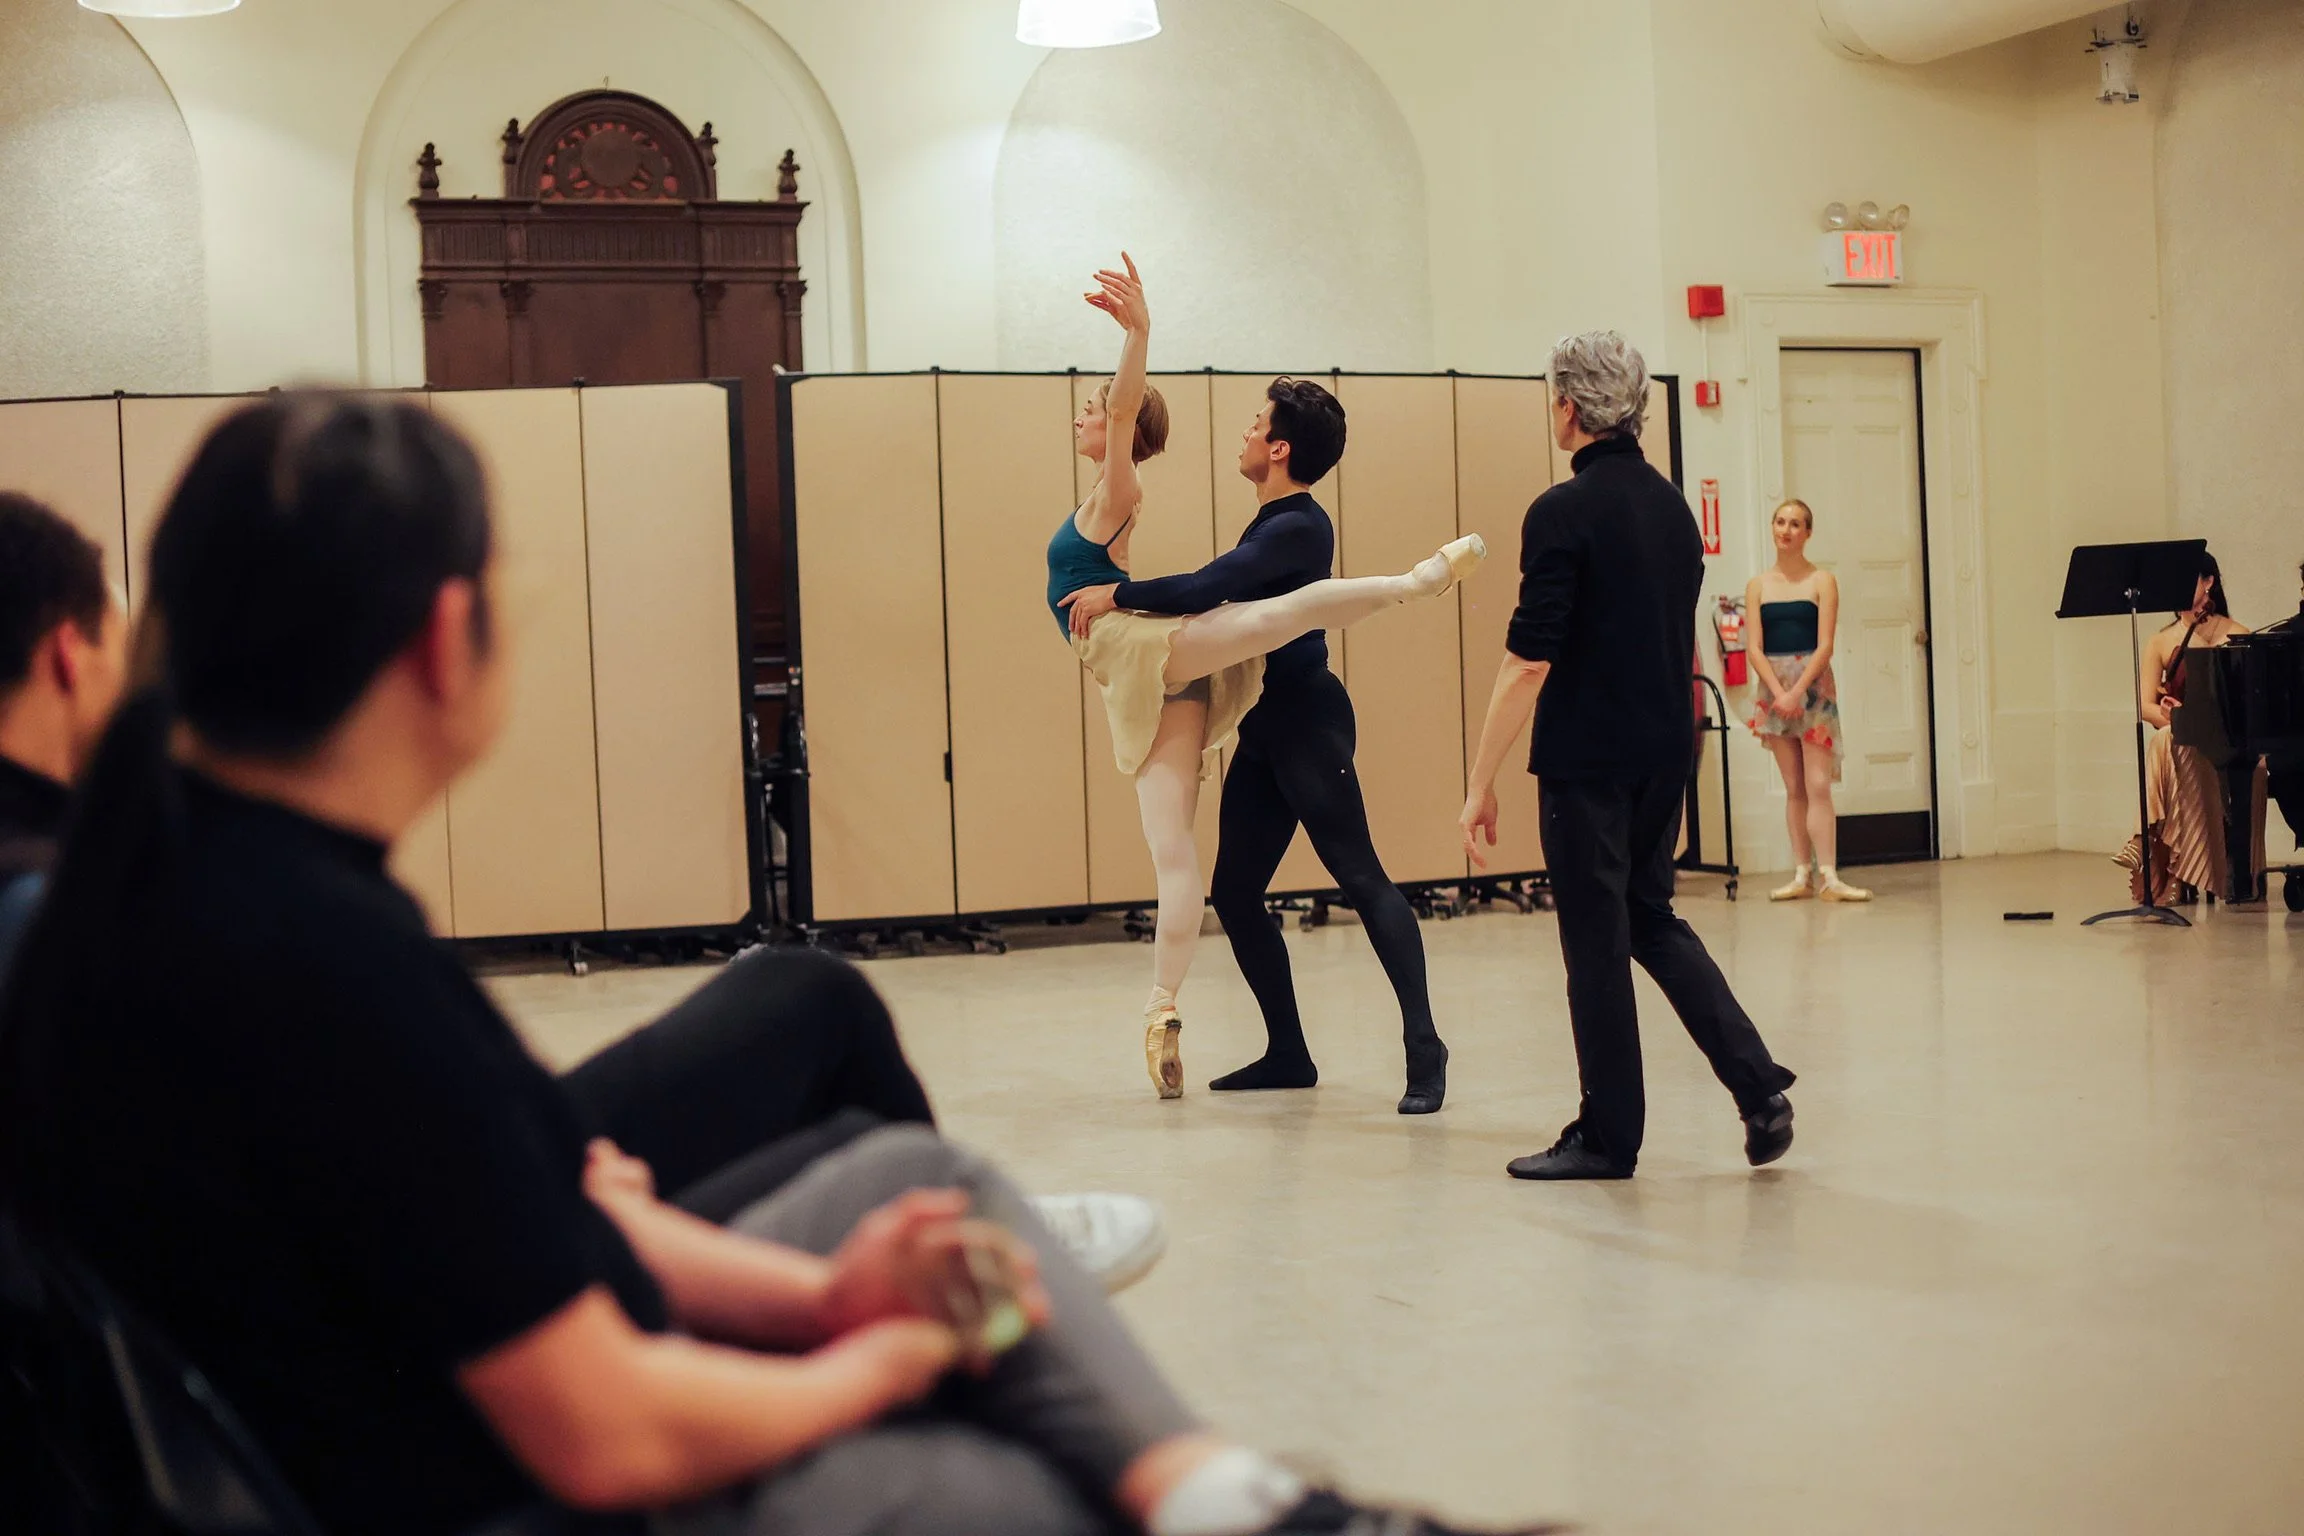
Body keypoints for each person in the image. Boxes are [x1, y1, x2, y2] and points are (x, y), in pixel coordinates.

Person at [0, 394, 1556, 1536]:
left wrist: (822, 1287)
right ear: (441, 643)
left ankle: (1232, 1498)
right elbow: (606, 1431)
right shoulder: (312, 962)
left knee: (921, 1191)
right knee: (996, 1477)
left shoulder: (166, 896)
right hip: (493, 1486)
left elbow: (517, 1218)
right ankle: (1213, 1497)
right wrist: (875, 1354)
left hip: (442, 1385)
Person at [0, 490, 1161, 1292]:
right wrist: (831, 1326)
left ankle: (951, 1220)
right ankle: (967, 1233)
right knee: (854, 1092)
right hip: (463, 1296)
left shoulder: (106, 878)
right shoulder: (198, 916)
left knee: (807, 1004)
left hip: (460, 1208)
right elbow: (509, 1321)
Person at [1054, 261, 1482, 1103]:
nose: (1245, 434)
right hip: (1265, 726)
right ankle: (1288, 1051)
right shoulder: (1277, 518)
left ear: (1279, 448)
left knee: (1361, 878)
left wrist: (1119, 594)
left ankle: (1425, 1051)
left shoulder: (1296, 527)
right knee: (1238, 893)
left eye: (1255, 425)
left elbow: (1216, 584)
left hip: (1309, 724)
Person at [1459, 332, 1797, 1182]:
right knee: (1649, 916)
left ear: (1569, 408)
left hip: (1588, 761)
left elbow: (1530, 658)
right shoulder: (1673, 508)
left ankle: (1609, 1136)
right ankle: (1760, 1090)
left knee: (1597, 943)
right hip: (1663, 750)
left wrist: (1480, 781)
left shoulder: (1561, 511)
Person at [1743, 499, 1870, 902]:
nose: (1786, 530)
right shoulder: (1758, 585)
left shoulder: (1822, 581)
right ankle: (1802, 873)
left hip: (1812, 690)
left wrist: (1798, 691)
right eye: (1780, 522)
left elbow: (1826, 644)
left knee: (1818, 784)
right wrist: (1779, 693)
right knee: (1793, 785)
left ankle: (1829, 874)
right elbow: (1754, 648)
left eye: (1795, 524)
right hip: (1774, 689)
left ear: (1807, 533)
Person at [2132, 551, 2264, 904]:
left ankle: (2173, 861)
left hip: (2229, 739)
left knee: (2172, 744)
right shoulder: (2160, 640)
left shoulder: (2238, 633)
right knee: (2166, 738)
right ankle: (2170, 862)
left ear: (2209, 582)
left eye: (2189, 578)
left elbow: (2251, 704)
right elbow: (2145, 705)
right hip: (2182, 737)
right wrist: (2178, 719)